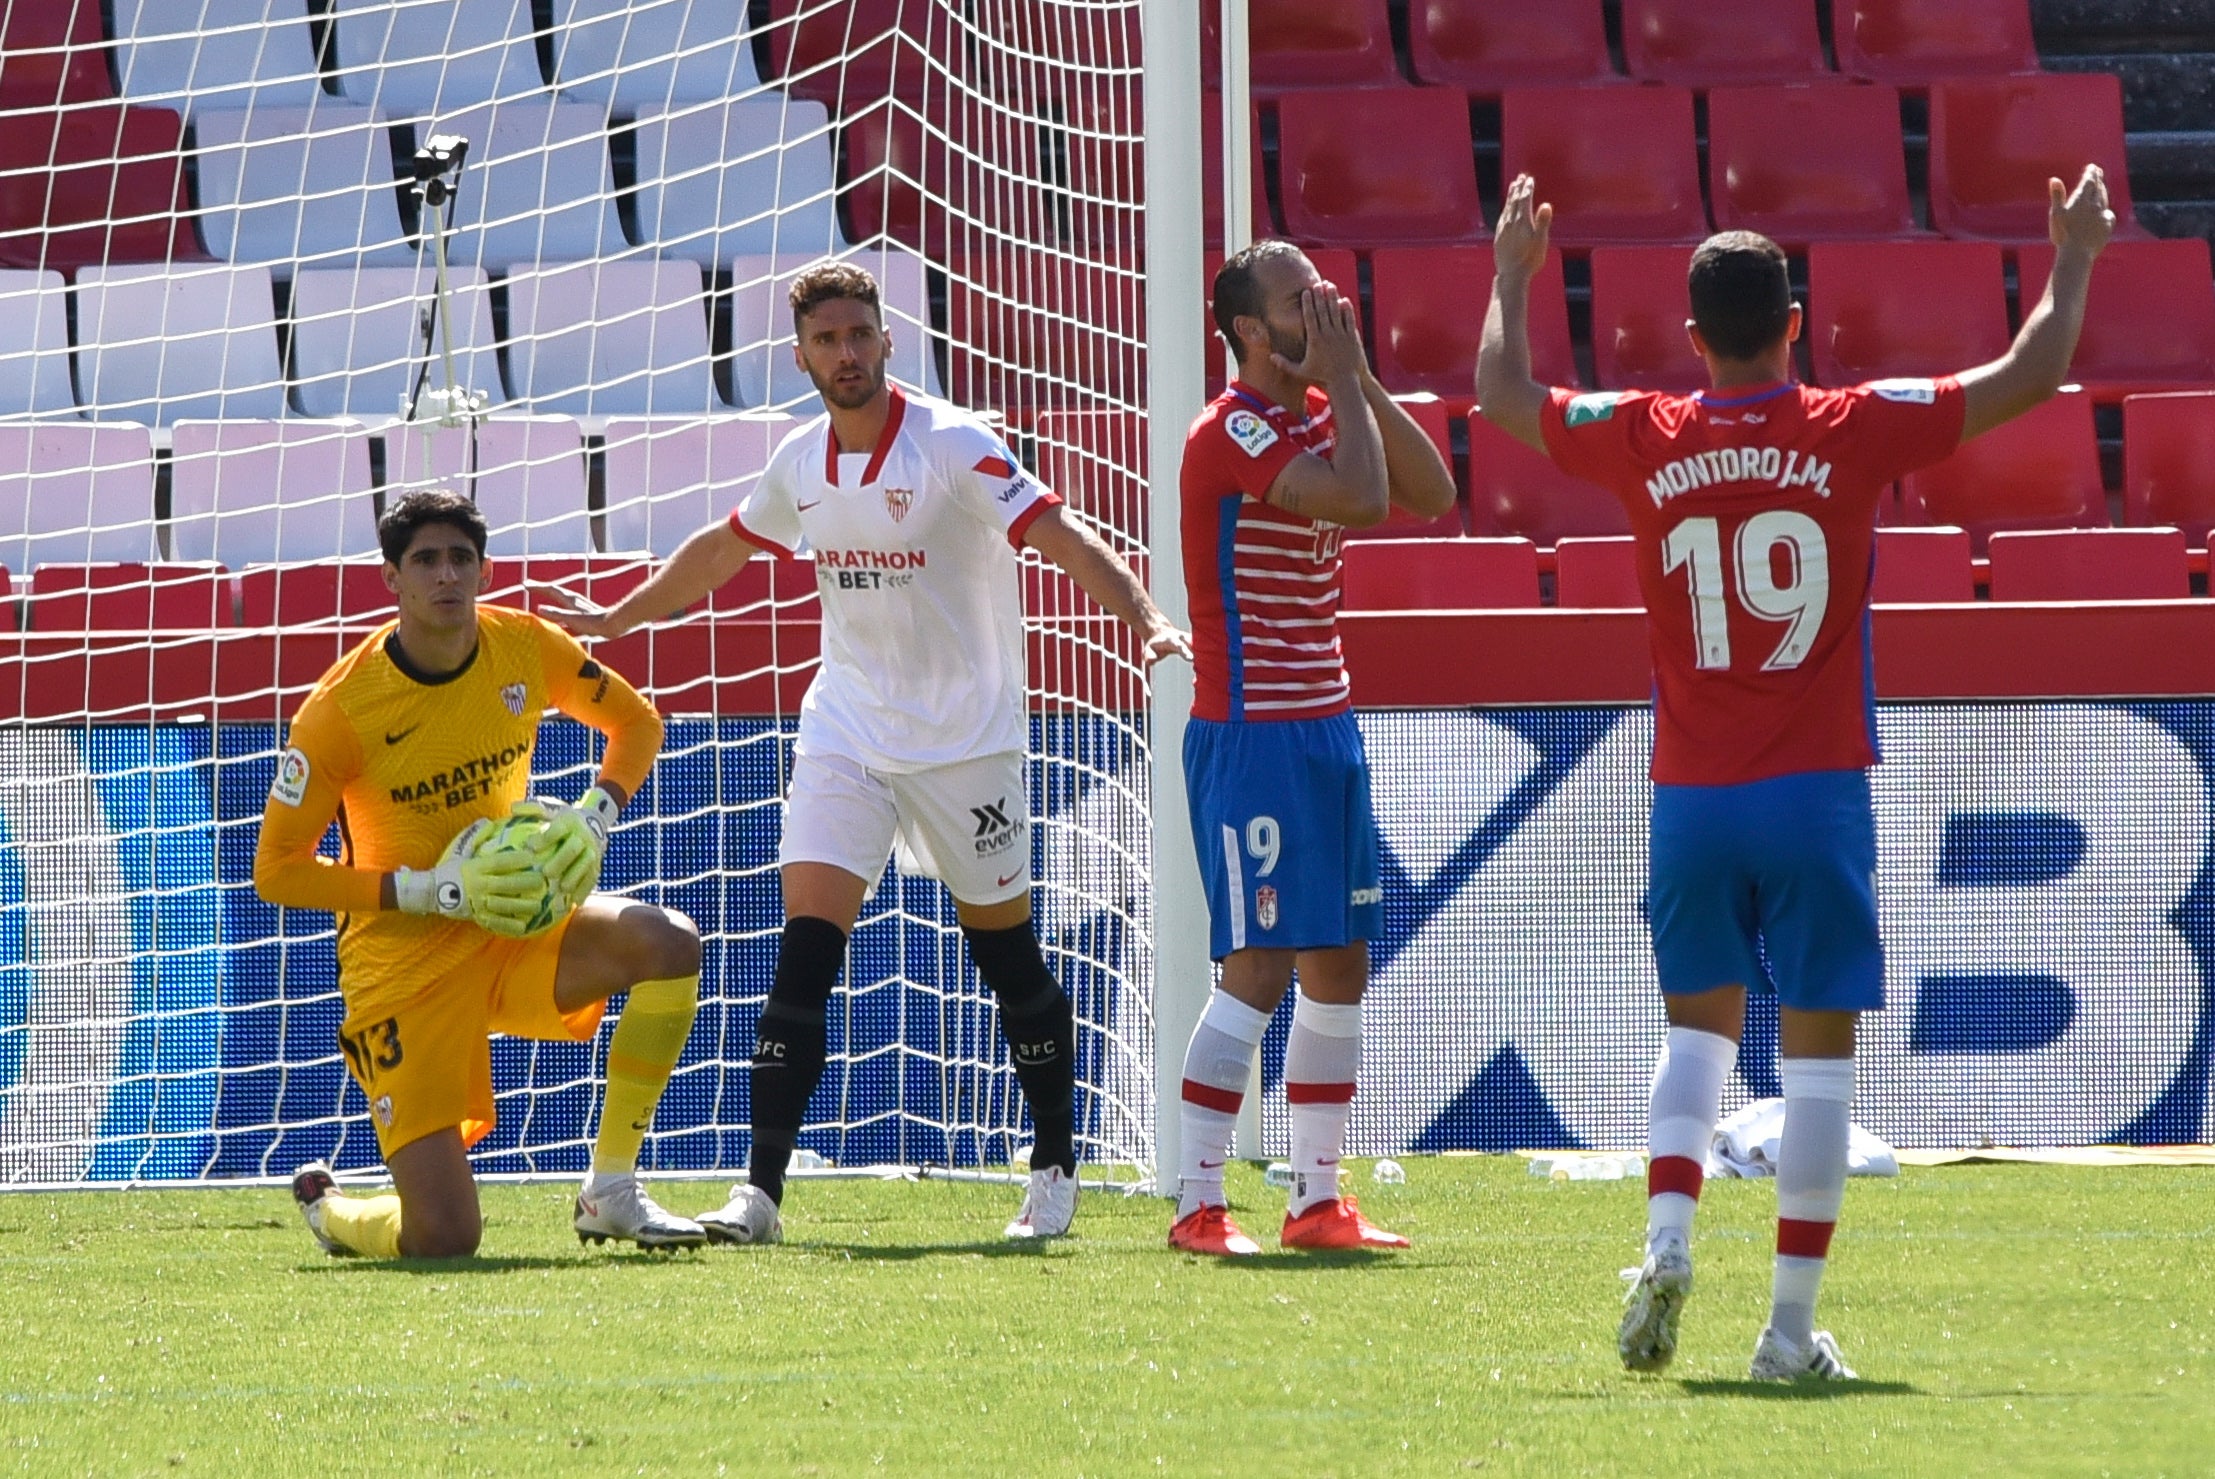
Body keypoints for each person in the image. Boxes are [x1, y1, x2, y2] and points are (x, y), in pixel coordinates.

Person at [1477, 168, 2114, 1378]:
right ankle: (1783, 1332)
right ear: (1795, 324)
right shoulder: (1852, 422)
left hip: (1690, 797)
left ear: (1690, 333)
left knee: (1697, 1042)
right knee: (1816, 1068)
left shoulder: (1643, 433)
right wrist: (2071, 252)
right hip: (1816, 788)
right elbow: (2029, 376)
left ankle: (1665, 1237)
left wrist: (1512, 273)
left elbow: (1500, 394)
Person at [541, 261, 1190, 1245]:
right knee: (805, 951)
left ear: (888, 342)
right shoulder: (800, 460)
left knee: (1005, 955)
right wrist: (623, 614)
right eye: (826, 341)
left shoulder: (953, 445)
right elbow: (725, 549)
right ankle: (759, 1194)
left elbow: (1056, 534)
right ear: (799, 356)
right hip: (846, 727)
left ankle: (1055, 1165)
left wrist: (1143, 615)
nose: (845, 354)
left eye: (860, 335)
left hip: (965, 743)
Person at [257, 490, 710, 1257]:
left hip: (507, 925)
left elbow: (637, 722)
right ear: (392, 579)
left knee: (668, 941)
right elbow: (277, 870)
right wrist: (423, 888)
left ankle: (611, 1188)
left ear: (484, 569)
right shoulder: (338, 710)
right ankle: (331, 1211)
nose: (446, 576)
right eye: (425, 560)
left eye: (460, 558)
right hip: (402, 966)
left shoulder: (525, 646)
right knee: (444, 1236)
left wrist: (595, 812)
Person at [1166, 240, 1458, 1257]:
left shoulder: (1324, 409)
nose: (1325, 308)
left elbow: (1432, 493)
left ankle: (1315, 1200)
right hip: (1254, 734)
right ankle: (1197, 1201)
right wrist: (1343, 382)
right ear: (1251, 330)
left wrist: (1361, 379)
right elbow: (1364, 503)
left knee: (1339, 961)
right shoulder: (1232, 429)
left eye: (1327, 292)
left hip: (1326, 724)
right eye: (1302, 301)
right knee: (1257, 962)